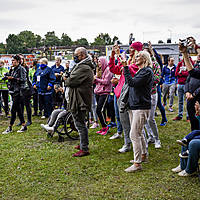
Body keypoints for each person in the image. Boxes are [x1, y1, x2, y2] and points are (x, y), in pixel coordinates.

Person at [123, 51, 154, 172]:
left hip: (140, 106)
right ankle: (143, 155)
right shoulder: (141, 71)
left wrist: (126, 68)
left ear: (145, 58)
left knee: (134, 134)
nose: (136, 58)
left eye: (138, 56)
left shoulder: (146, 71)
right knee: (139, 132)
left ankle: (137, 164)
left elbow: (132, 83)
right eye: (135, 57)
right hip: (135, 105)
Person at [108, 42, 141, 153]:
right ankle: (128, 142)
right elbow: (114, 69)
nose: (129, 50)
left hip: (129, 96)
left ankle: (133, 143)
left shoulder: (138, 63)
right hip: (120, 94)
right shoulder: (128, 61)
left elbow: (131, 71)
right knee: (123, 121)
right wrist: (113, 55)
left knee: (131, 122)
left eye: (132, 48)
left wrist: (119, 55)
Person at [65, 47, 94, 157]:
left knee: (80, 124)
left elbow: (71, 81)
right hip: (78, 97)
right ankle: (83, 144)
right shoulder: (82, 66)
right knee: (79, 123)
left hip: (80, 99)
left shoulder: (84, 68)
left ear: (82, 55)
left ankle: (84, 148)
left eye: (76, 55)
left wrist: (66, 79)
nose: (74, 57)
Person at [2, 55, 27, 134]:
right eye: (12, 61)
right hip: (13, 91)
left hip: (19, 92)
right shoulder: (12, 69)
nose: (12, 62)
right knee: (18, 110)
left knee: (13, 110)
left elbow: (23, 79)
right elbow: (11, 78)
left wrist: (13, 78)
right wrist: (7, 77)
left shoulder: (21, 69)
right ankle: (23, 125)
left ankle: (10, 127)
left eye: (14, 61)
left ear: (18, 61)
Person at [143, 42, 162, 149]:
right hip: (143, 94)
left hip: (152, 94)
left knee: (150, 118)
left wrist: (146, 80)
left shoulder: (155, 65)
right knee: (144, 118)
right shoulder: (141, 66)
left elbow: (158, 79)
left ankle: (157, 139)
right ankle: (150, 136)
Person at [179, 37, 200, 130]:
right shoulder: (196, 64)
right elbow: (189, 77)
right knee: (193, 122)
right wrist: (187, 91)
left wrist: (195, 93)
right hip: (190, 98)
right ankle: (192, 139)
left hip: (198, 98)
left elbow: (192, 72)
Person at [94, 56, 113, 135]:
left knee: (99, 110)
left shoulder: (108, 70)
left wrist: (96, 79)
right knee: (101, 111)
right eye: (98, 62)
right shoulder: (99, 70)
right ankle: (103, 127)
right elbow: (98, 82)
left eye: (99, 62)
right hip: (98, 92)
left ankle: (106, 126)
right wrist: (94, 80)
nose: (98, 63)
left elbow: (106, 81)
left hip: (105, 92)